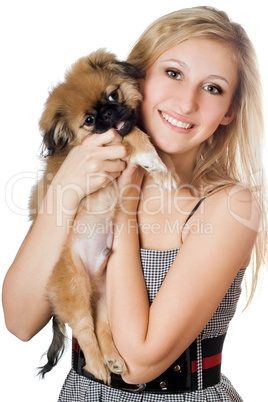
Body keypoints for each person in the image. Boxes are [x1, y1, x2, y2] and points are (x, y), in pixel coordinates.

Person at [2, 6, 267, 401]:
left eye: (213, 88)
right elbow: (20, 322)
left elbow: (140, 362)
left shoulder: (229, 206)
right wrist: (65, 191)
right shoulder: (81, 181)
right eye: (173, 73)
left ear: (229, 110)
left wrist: (125, 206)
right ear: (137, 75)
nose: (187, 101)